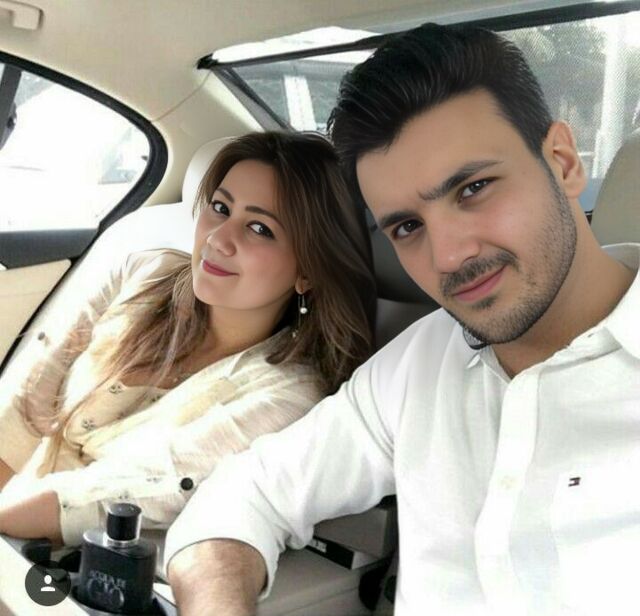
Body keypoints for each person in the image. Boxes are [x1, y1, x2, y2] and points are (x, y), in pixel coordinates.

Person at [163, 23, 640, 616]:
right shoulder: (420, 363)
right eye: (408, 226)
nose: (449, 256)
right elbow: (245, 494)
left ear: (563, 162)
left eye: (473, 188)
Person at [0, 131, 376, 547]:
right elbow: (26, 406)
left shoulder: (287, 396)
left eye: (259, 228)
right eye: (220, 208)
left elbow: (141, 488)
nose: (217, 239)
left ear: (308, 270)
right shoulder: (145, 273)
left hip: (60, 551)